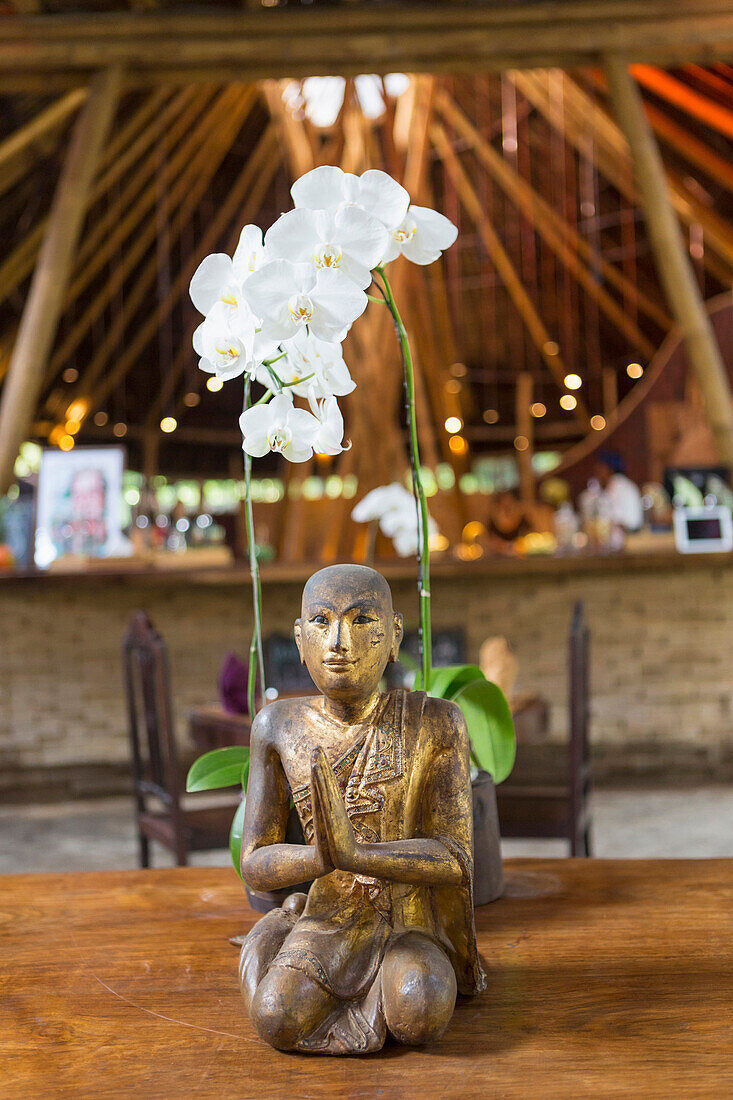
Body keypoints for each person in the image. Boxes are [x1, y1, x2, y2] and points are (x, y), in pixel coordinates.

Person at [239, 564, 485, 1055]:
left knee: (420, 1010)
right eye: (321, 621)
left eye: (361, 620)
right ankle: (280, 930)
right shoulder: (277, 726)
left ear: (394, 635)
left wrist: (358, 854)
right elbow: (255, 862)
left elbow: (456, 857)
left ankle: (301, 951)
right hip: (327, 922)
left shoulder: (435, 722)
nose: (338, 642)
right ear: (299, 638)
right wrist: (321, 860)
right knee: (275, 1016)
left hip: (406, 923)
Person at [593, 451, 643, 533]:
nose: (597, 471)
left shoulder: (618, 485)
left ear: (610, 469)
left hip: (629, 534)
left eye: (600, 467)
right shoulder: (621, 483)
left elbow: (612, 520)